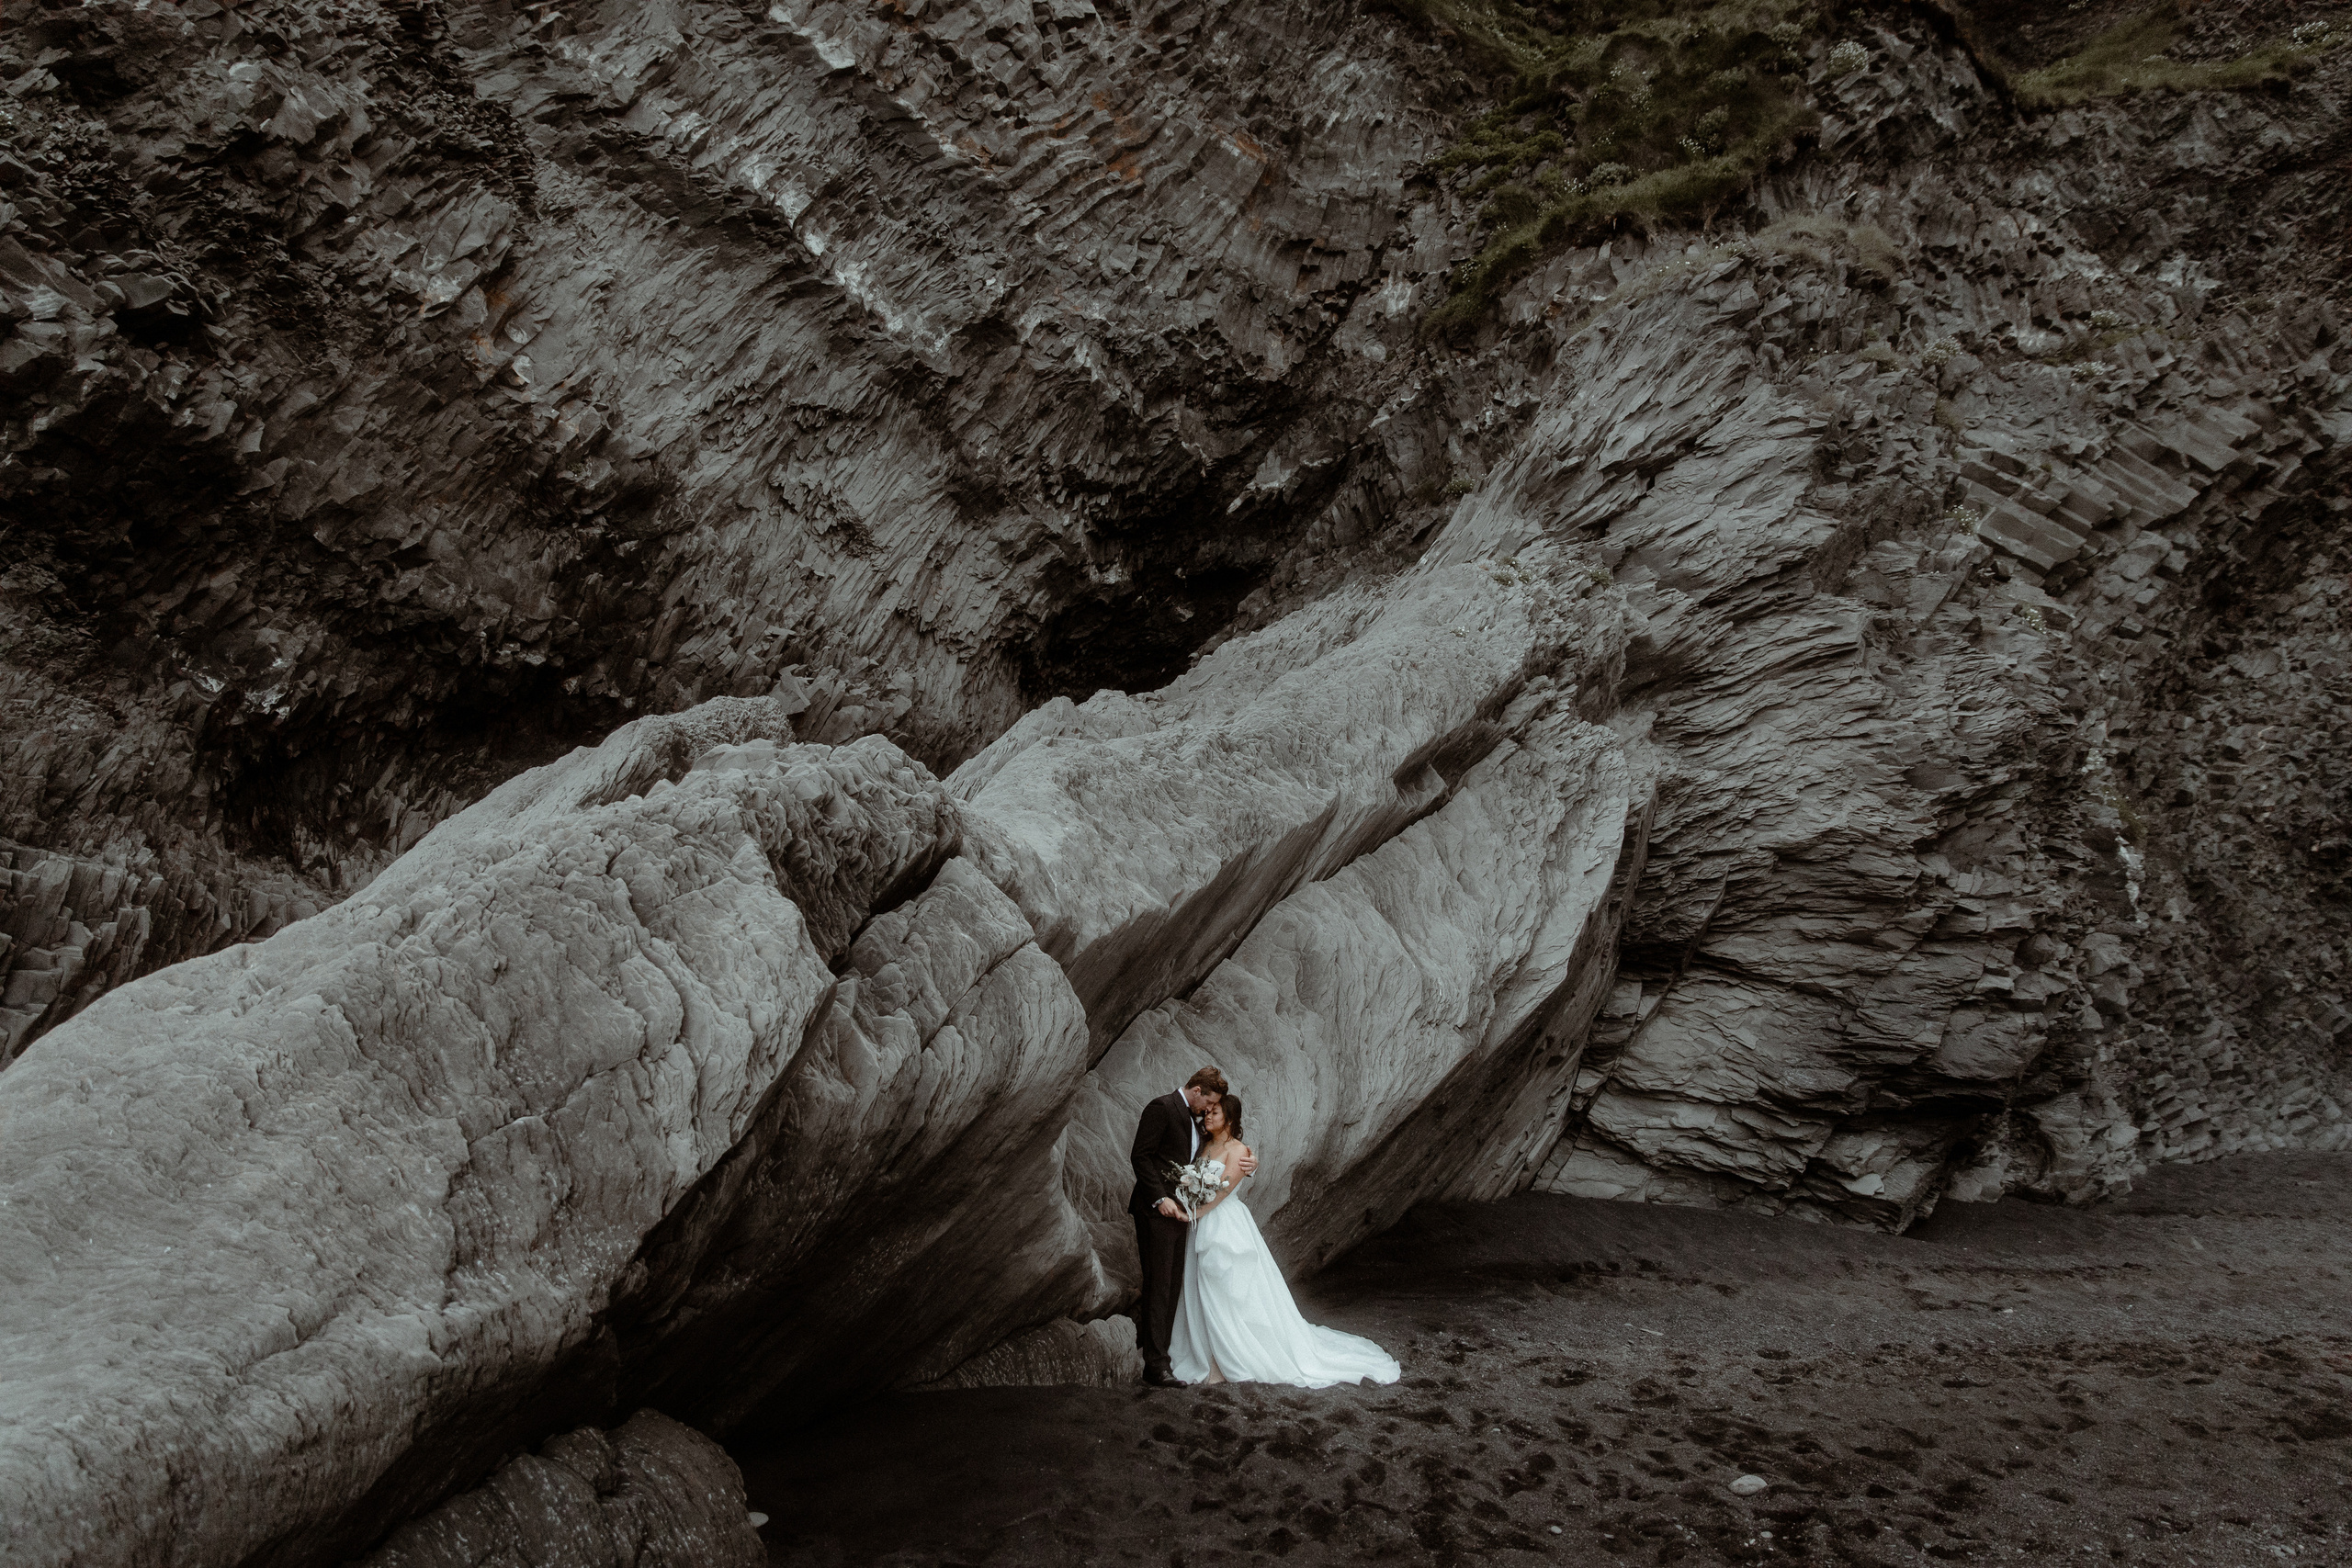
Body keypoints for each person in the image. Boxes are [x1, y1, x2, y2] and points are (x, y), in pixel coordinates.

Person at [1168, 1091, 1400, 1389]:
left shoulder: (1239, 1151)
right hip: (1201, 1222)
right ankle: (1208, 1354)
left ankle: (1224, 1361)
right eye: (1208, 1112)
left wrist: (1194, 1212)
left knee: (1226, 1289)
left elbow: (1223, 1192)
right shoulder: (1205, 1145)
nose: (1207, 1116)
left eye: (1214, 1112)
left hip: (1223, 1224)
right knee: (1203, 1290)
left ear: (1230, 1119)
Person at [1128, 1067, 1252, 1388]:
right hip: (1158, 1212)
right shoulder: (1162, 1108)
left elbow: (1229, 1152)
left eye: (1214, 1108)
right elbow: (1140, 1156)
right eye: (1207, 1103)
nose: (1207, 1110)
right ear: (1196, 1091)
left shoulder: (1197, 1122)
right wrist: (1159, 1199)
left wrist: (1253, 1160)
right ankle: (1156, 1366)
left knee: (1172, 1287)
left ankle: (1162, 1357)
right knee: (1159, 1285)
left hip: (1184, 1215)